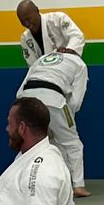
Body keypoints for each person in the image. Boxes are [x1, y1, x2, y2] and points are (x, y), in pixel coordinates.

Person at [17, 49, 89, 197]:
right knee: (73, 144)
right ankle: (78, 186)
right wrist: (64, 120)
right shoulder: (79, 63)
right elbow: (76, 101)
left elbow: (20, 91)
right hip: (54, 99)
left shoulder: (42, 59)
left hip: (26, 98)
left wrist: (45, 124)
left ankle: (16, 183)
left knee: (28, 143)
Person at [17, 0, 84, 66]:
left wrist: (68, 51)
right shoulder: (25, 38)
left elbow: (77, 35)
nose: (27, 24)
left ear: (37, 10)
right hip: (46, 71)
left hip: (68, 66)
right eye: (22, 22)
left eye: (28, 19)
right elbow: (32, 64)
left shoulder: (58, 19)